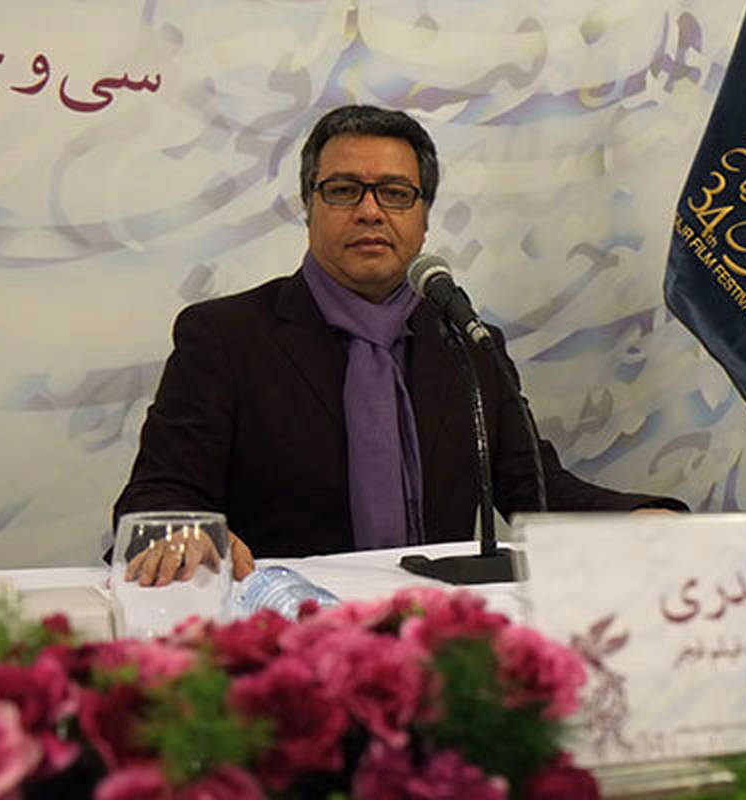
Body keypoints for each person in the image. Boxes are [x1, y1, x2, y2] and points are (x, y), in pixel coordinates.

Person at [114, 105, 685, 585]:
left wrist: (641, 516)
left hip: (438, 631)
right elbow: (157, 498)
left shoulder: (467, 342)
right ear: (309, 207)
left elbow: (532, 490)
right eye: (343, 191)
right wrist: (188, 535)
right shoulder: (225, 338)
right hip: (285, 631)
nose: (370, 211)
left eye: (394, 193)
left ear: (424, 216)